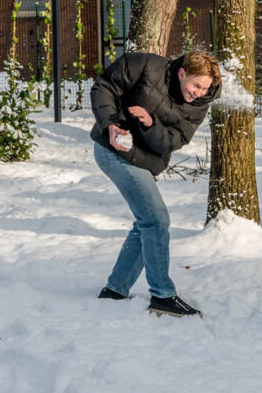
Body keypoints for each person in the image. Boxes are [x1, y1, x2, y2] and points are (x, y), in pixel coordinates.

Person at [90, 49, 221, 317]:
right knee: (156, 220)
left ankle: (115, 289)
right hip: (113, 149)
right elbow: (104, 86)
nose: (198, 92)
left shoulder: (199, 104)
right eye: (196, 85)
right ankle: (162, 294)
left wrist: (151, 124)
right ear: (182, 73)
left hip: (146, 160)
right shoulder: (145, 65)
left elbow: (175, 140)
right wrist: (111, 125)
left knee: (147, 222)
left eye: (205, 88)